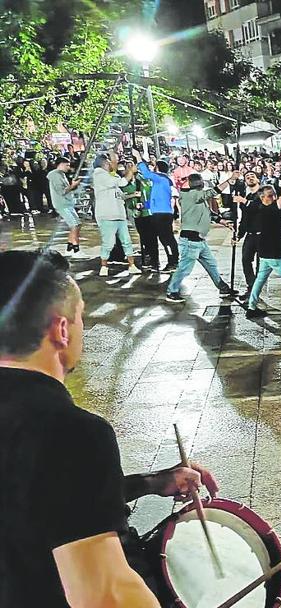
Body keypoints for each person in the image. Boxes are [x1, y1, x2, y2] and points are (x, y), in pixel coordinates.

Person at [0, 249, 219, 607]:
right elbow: (106, 595)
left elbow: (32, 494)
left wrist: (149, 483)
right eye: (82, 316)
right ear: (62, 329)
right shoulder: (72, 432)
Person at [164, 172, 239, 303]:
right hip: (190, 240)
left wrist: (222, 221)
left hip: (200, 240)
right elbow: (210, 193)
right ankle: (172, 291)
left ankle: (222, 287)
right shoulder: (188, 194)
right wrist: (229, 180)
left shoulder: (198, 197)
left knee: (211, 265)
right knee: (184, 268)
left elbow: (209, 213)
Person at [244, 164, 281, 322]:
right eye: (270, 195)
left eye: (273, 195)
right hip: (274, 252)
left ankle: (251, 306)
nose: (273, 198)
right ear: (262, 197)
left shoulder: (263, 209)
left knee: (260, 279)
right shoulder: (270, 209)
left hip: (265, 251)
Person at [92, 153, 139, 278]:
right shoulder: (99, 174)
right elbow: (123, 183)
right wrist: (130, 172)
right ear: (104, 163)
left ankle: (132, 265)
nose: (113, 164)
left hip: (119, 215)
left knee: (127, 241)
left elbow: (120, 195)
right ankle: (104, 266)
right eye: (110, 162)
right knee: (108, 243)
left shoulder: (110, 177)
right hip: (107, 215)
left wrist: (133, 195)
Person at [135, 150, 179, 271]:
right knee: (166, 238)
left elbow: (146, 173)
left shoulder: (161, 178)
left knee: (166, 239)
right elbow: (157, 198)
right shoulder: (160, 182)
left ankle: (173, 261)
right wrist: (145, 206)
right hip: (160, 212)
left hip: (162, 214)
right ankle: (173, 261)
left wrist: (138, 157)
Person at [234, 170, 265, 292]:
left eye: (252, 176)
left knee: (262, 262)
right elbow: (245, 218)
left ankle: (258, 285)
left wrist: (243, 201)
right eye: (247, 177)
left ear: (258, 179)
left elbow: (258, 207)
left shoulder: (264, 193)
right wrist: (239, 235)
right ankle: (251, 284)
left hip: (263, 234)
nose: (250, 178)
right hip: (250, 234)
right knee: (246, 259)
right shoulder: (247, 197)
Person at [47, 157, 83, 256]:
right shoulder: (55, 175)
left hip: (68, 203)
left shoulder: (61, 174)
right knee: (74, 225)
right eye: (67, 165)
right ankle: (76, 250)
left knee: (78, 224)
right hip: (62, 204)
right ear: (61, 164)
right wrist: (72, 185)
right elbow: (61, 191)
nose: (68, 167)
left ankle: (69, 248)